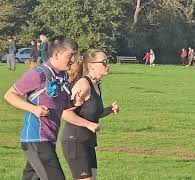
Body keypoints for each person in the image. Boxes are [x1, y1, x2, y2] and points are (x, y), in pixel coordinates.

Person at [4, 36, 78, 180]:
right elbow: (10, 95)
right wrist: (34, 109)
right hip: (36, 139)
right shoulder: (38, 74)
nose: (73, 60)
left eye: (75, 55)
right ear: (57, 54)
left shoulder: (62, 76)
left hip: (49, 139)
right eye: (70, 55)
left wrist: (78, 102)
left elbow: (65, 107)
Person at [61, 49, 119, 180]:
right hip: (75, 140)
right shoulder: (83, 84)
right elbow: (64, 113)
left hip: (88, 141)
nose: (107, 65)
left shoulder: (96, 85)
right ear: (92, 65)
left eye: (107, 62)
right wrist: (88, 124)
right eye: (104, 62)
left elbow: (91, 112)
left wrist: (109, 109)